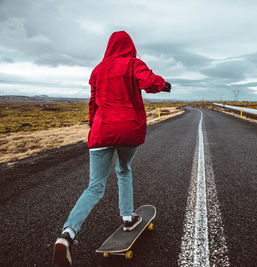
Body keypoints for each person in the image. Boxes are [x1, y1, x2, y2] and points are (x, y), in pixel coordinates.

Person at [53, 31, 171, 266]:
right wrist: (164, 85)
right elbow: (148, 82)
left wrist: (94, 126)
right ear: (130, 46)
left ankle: (67, 235)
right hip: (127, 129)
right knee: (124, 169)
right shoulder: (133, 63)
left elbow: (92, 103)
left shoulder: (97, 70)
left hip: (101, 131)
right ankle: (127, 217)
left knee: (94, 187)